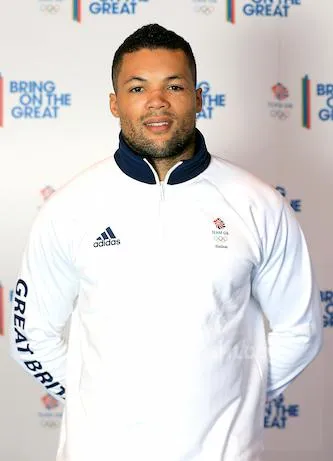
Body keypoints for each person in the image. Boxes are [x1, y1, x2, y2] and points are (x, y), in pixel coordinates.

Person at [12, 23, 322, 461]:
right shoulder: (70, 207)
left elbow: (301, 330)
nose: (156, 101)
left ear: (197, 98)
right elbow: (31, 335)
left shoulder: (258, 204)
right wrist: (95, 403)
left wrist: (239, 399)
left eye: (174, 85)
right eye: (137, 88)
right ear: (114, 103)